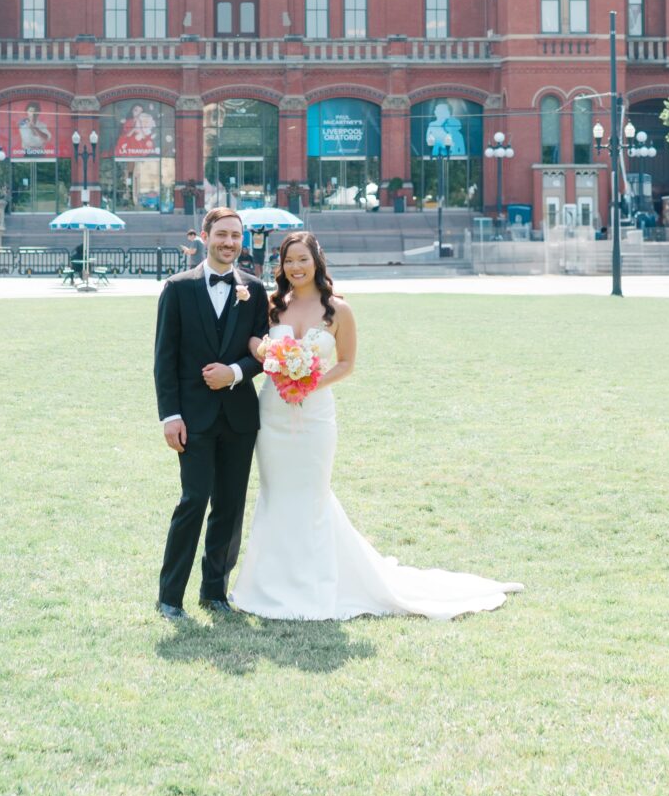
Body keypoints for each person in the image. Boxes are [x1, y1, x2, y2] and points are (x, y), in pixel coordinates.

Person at [230, 231, 521, 621]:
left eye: (302, 259)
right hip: (274, 413)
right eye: (288, 260)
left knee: (312, 495)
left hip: (315, 415)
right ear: (279, 266)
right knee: (276, 494)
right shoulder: (272, 305)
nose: (295, 267)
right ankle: (268, 586)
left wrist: (309, 382)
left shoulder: (339, 310)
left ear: (317, 260)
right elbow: (252, 341)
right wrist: (266, 353)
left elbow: (347, 363)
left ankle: (316, 587)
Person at [152, 206, 268, 619]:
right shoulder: (177, 288)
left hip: (239, 417)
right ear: (205, 236)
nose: (229, 242)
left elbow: (263, 352)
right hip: (193, 418)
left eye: (236, 236)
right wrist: (170, 417)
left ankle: (214, 591)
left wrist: (234, 372)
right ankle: (169, 597)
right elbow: (164, 359)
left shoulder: (254, 289)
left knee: (231, 505)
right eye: (221, 234)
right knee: (194, 500)